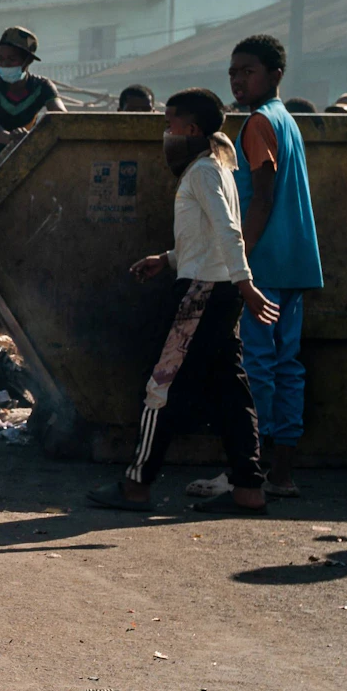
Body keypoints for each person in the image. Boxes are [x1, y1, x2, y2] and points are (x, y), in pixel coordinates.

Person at [88, 88, 279, 515]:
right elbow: (208, 237)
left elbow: (229, 231)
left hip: (204, 293)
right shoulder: (215, 168)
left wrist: (245, 283)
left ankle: (136, 485)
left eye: (170, 122)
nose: (166, 130)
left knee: (162, 386)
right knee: (232, 391)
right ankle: (249, 489)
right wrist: (169, 259)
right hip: (216, 288)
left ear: (191, 129)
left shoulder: (203, 173)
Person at [191, 34, 320, 501]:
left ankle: (249, 472)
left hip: (263, 264)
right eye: (233, 72)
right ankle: (281, 475)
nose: (238, 79)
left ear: (275, 75)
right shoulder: (286, 121)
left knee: (258, 366)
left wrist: (237, 258)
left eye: (248, 71)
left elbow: (261, 199)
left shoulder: (258, 124)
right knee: (287, 366)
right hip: (295, 262)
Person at [0, 26, 65, 155]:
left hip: (26, 154)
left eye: (11, 60)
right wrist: (11, 138)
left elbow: (61, 117)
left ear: (27, 61)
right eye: (0, 59)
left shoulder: (42, 86)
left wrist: (37, 138)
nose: (4, 64)